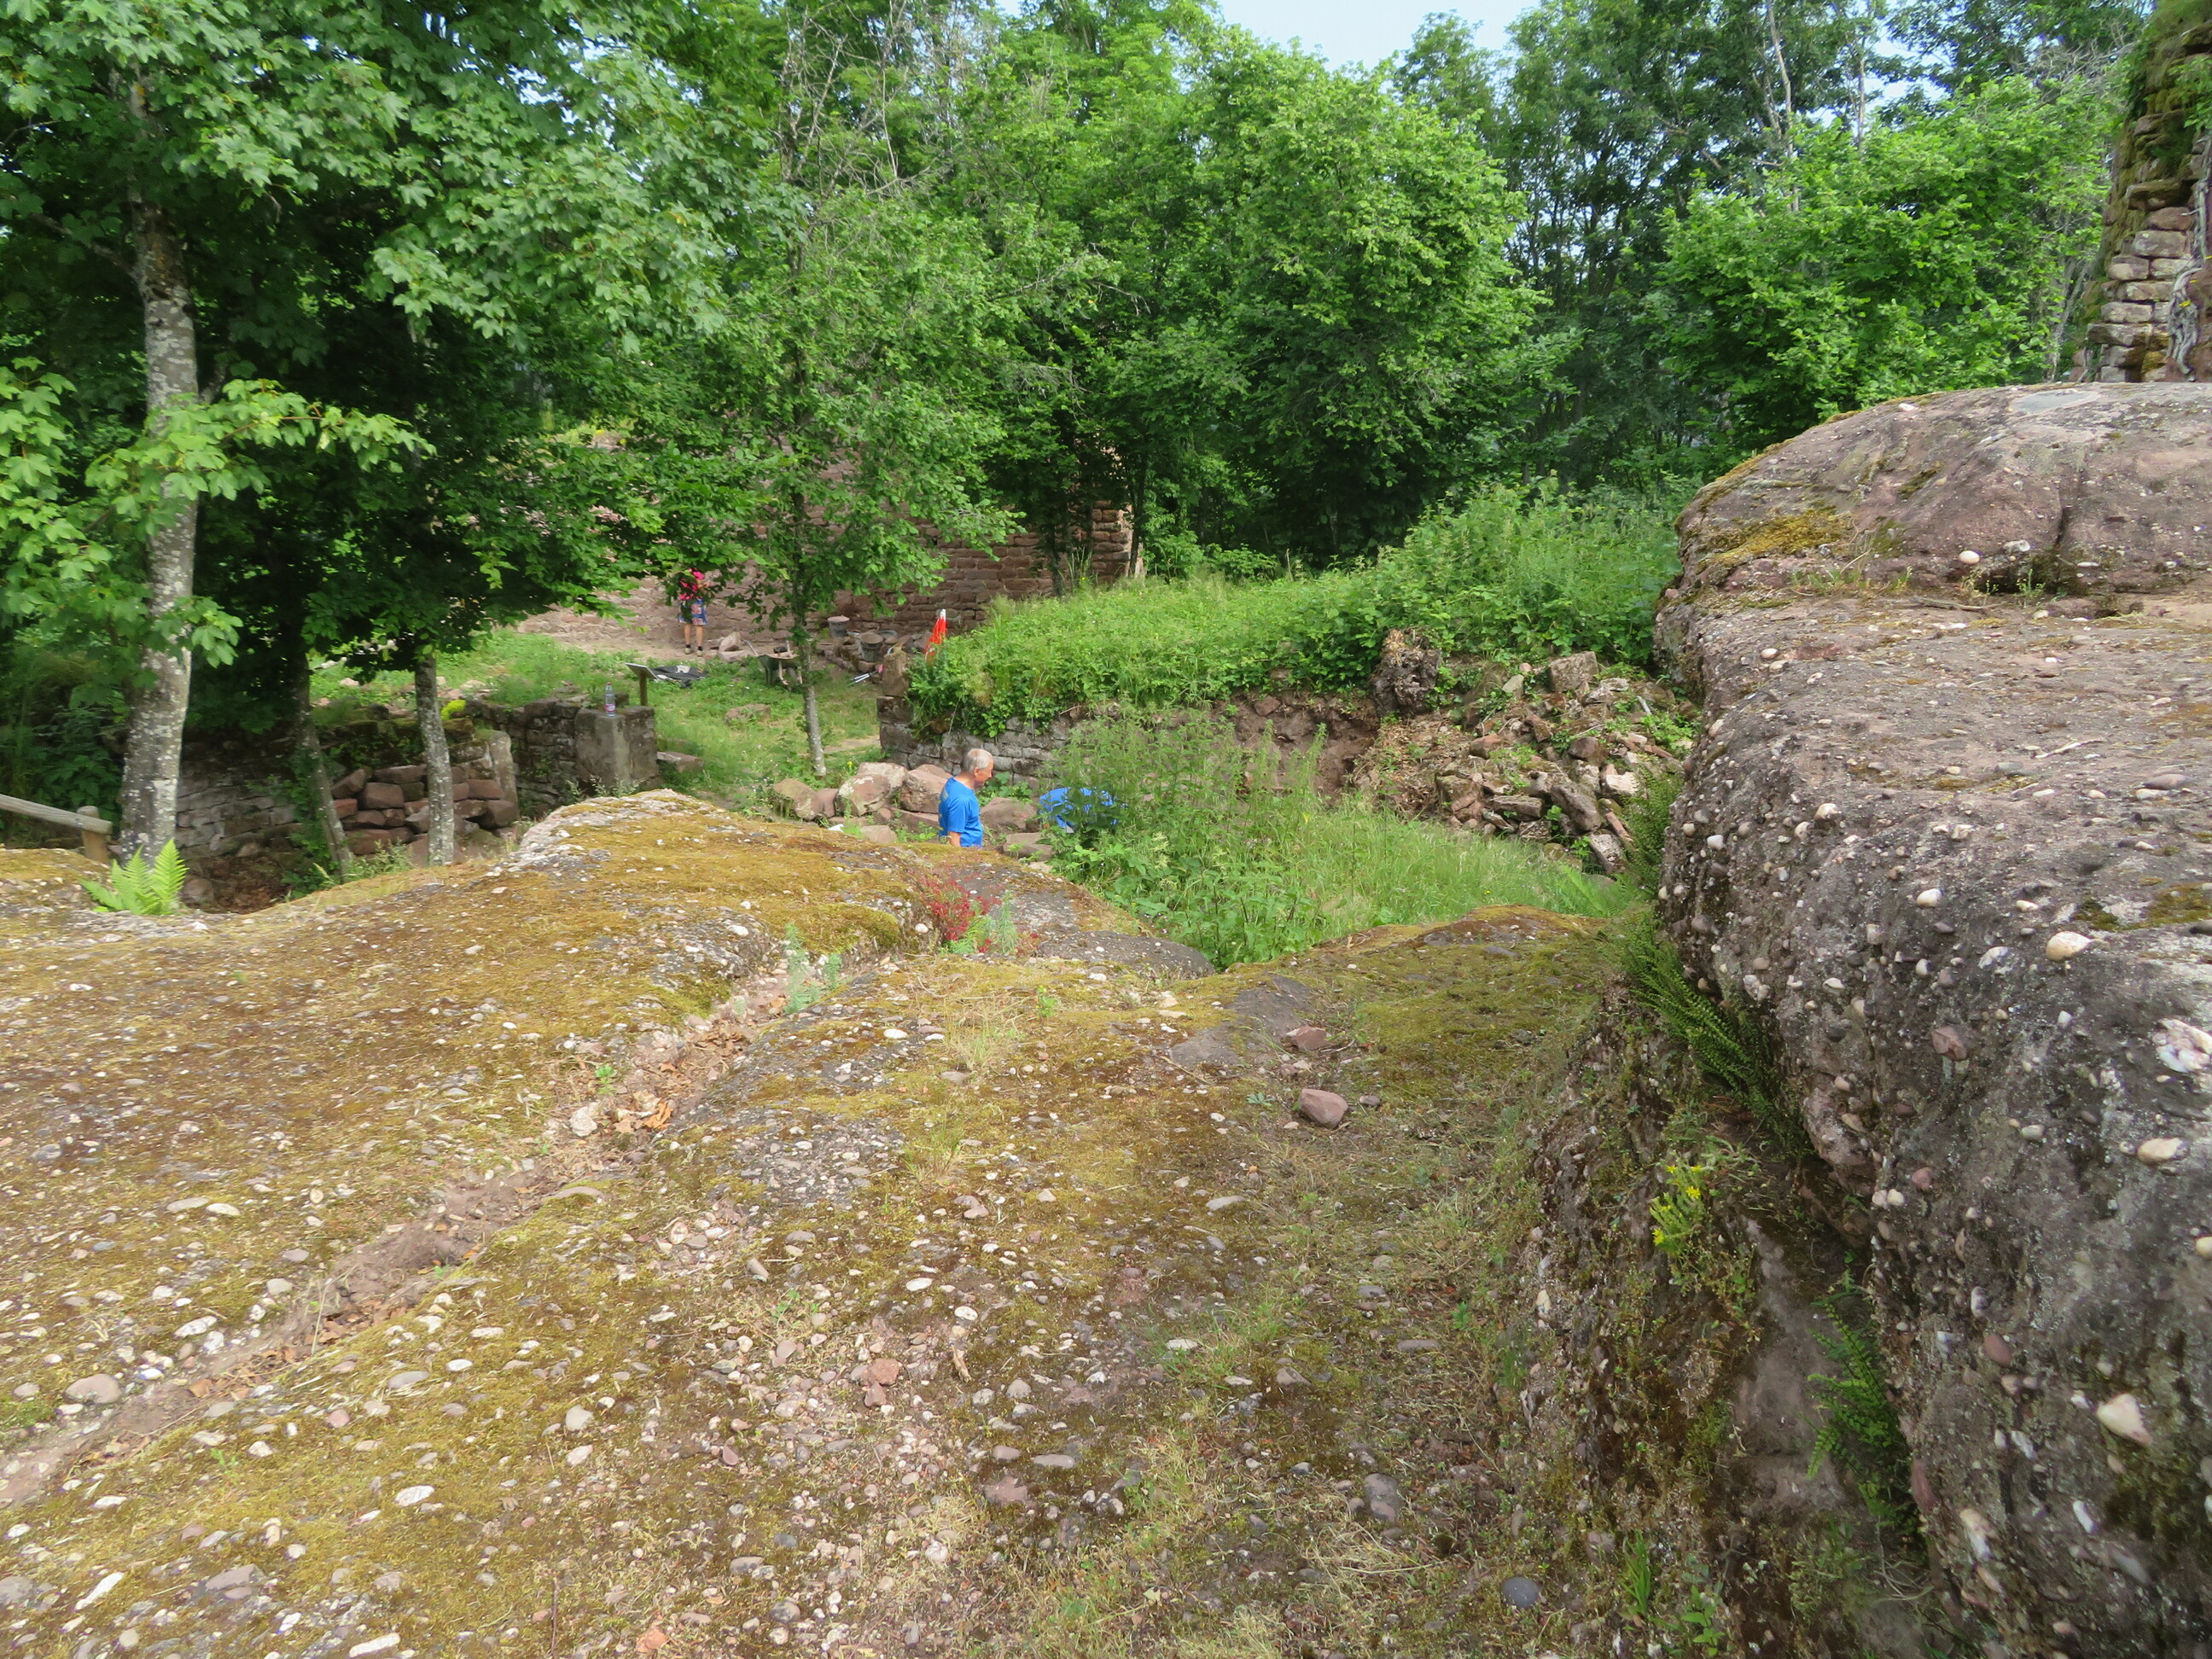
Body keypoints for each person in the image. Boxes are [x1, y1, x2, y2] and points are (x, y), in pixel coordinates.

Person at [937, 748, 992, 847]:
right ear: (976, 771)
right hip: (966, 852)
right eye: (989, 771)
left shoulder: (952, 783)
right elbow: (953, 840)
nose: (990, 775)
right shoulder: (962, 800)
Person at [674, 568, 710, 654]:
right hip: (696, 600)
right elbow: (699, 587)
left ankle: (687, 646)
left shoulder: (682, 572)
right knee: (699, 625)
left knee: (687, 623)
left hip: (685, 600)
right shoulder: (697, 573)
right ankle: (699, 648)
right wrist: (706, 586)